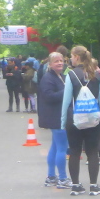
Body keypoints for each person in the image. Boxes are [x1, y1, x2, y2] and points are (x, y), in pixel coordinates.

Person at [61, 45, 100, 196]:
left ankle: (75, 185)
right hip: (93, 119)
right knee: (92, 152)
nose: (70, 59)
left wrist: (63, 121)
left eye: (71, 56)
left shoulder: (71, 74)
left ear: (77, 57)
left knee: (74, 152)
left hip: (75, 119)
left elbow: (66, 101)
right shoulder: (97, 75)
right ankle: (93, 186)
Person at [38, 52, 72, 189]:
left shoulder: (60, 76)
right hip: (56, 117)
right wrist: (67, 91)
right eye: (56, 61)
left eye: (61, 60)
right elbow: (49, 97)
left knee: (55, 147)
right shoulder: (48, 78)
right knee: (62, 148)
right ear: (50, 64)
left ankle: (51, 176)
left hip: (57, 116)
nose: (60, 63)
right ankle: (62, 178)